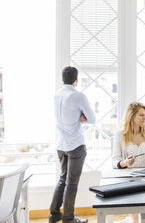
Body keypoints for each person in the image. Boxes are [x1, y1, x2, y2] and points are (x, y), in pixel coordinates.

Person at [49, 66, 96, 223]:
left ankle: (54, 214)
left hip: (61, 145)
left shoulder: (56, 95)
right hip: (75, 145)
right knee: (72, 182)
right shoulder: (78, 96)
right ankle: (68, 218)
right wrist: (83, 117)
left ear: (62, 79)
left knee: (63, 179)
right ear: (76, 80)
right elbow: (92, 119)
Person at [112, 102, 145, 223]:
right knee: (135, 207)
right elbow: (115, 161)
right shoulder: (119, 135)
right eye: (141, 115)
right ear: (131, 116)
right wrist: (125, 162)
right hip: (129, 178)